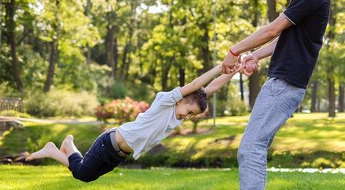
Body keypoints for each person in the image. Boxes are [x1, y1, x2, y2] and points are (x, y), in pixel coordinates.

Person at [221, 0, 330, 190]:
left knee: (250, 148)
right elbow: (284, 38)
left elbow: (272, 29)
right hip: (285, 82)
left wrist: (235, 50)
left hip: (285, 84)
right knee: (254, 147)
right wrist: (255, 56)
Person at [26, 65, 239, 182]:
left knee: (87, 176)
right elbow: (195, 85)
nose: (189, 116)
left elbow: (210, 89)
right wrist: (220, 65)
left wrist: (232, 72)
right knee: (81, 174)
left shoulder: (178, 114)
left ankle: (59, 150)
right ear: (181, 99)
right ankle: (62, 147)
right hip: (109, 143)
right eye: (189, 111)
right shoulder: (166, 102)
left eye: (193, 116)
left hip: (120, 153)